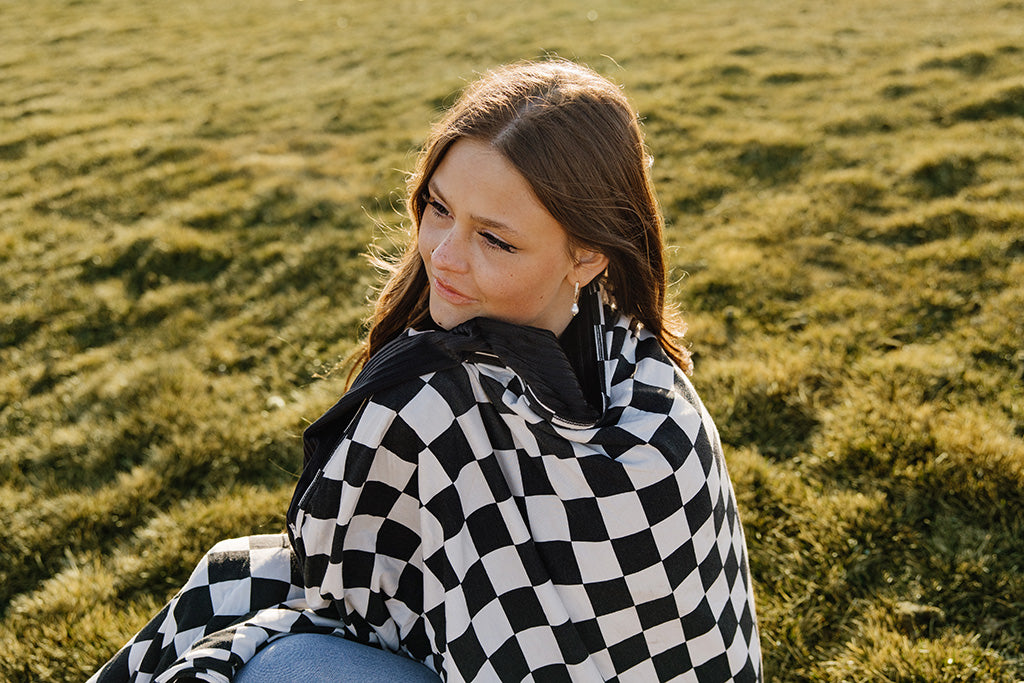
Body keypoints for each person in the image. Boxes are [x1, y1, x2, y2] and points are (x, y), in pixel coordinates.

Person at [89, 58, 762, 682]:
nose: (442, 254)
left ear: (585, 256)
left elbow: (339, 574)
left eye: (494, 238)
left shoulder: (433, 403)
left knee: (277, 658)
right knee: (230, 570)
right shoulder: (648, 362)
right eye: (439, 208)